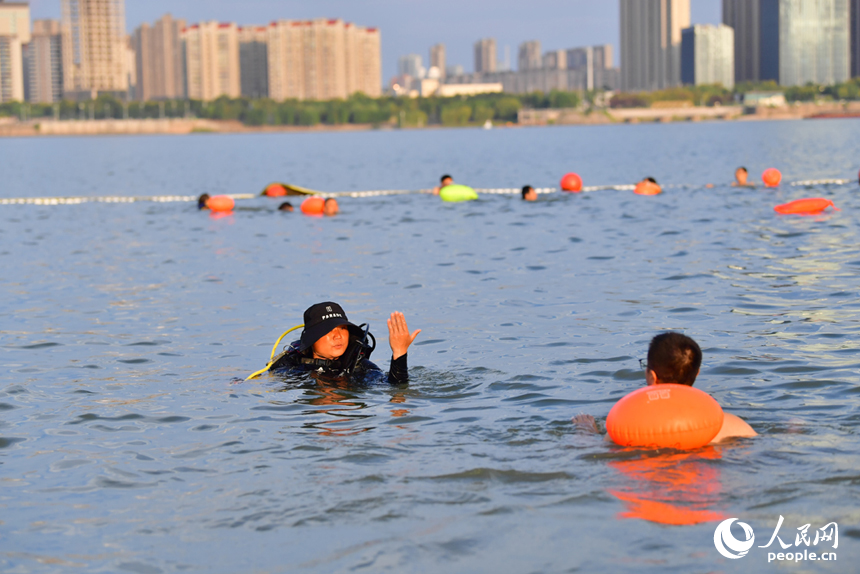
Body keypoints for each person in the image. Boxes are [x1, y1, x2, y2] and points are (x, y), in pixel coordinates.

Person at [573, 332, 757, 443]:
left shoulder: (629, 428)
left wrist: (586, 431)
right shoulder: (729, 425)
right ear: (697, 373)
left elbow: (594, 456)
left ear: (652, 376)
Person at [268, 302, 421, 385]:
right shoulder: (290, 365)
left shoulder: (359, 367)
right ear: (311, 339)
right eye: (328, 331)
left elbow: (396, 388)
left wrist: (399, 353)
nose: (338, 336)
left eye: (342, 328)